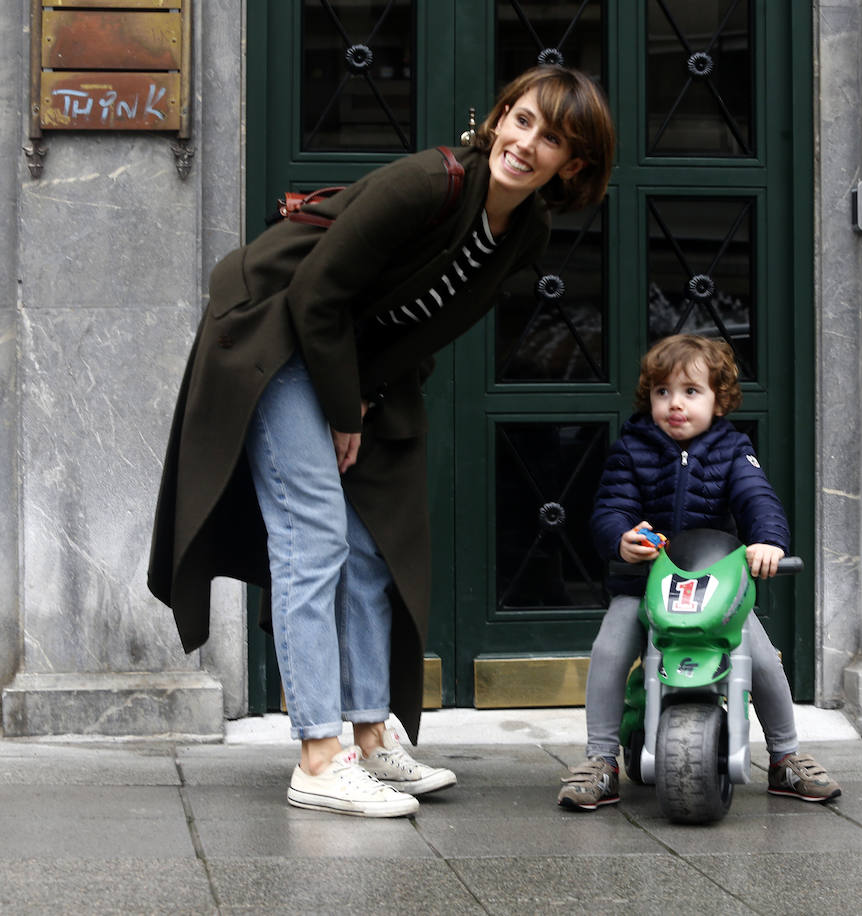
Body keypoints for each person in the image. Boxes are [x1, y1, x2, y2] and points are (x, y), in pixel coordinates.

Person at [148, 66, 616, 817]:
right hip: (270, 330)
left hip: (341, 356)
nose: (526, 144)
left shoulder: (525, 232)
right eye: (521, 120)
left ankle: (371, 737)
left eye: (552, 138)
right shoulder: (427, 182)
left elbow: (426, 323)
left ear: (576, 165)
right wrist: (345, 410)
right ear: (499, 118)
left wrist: (365, 393)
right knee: (313, 534)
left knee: (370, 547)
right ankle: (317, 754)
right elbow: (314, 294)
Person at [557, 334, 841, 810]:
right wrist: (622, 539)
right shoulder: (631, 449)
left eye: (691, 392)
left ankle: (785, 757)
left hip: (715, 590)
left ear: (719, 399)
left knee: (763, 659)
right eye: (662, 392)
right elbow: (610, 508)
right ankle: (600, 760)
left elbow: (758, 499)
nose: (675, 404)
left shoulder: (733, 450)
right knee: (609, 649)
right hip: (643, 586)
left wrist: (768, 542)